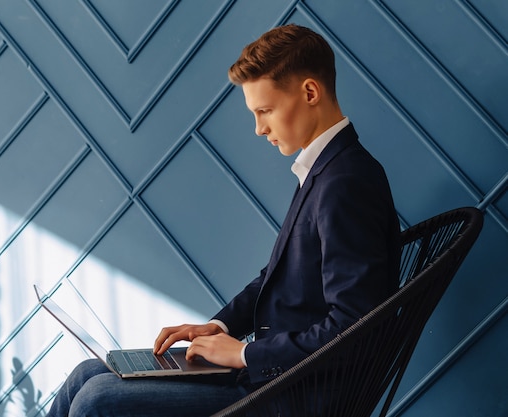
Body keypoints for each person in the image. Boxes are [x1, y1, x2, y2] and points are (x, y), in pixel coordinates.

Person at [45, 23, 400, 417]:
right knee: (85, 375)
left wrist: (245, 353)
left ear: (310, 92)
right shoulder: (324, 171)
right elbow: (277, 276)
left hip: (294, 395)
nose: (259, 128)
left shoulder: (346, 181)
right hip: (268, 376)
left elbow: (354, 325)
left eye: (265, 110)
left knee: (98, 401)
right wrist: (220, 327)